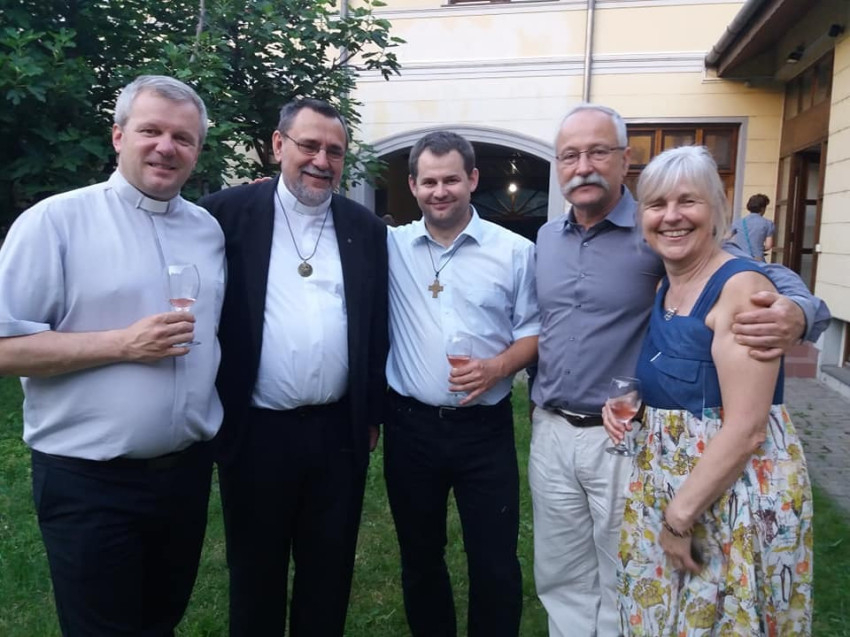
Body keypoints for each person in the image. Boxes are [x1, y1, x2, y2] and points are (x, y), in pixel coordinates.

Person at [529, 103, 829, 637]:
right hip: (555, 430)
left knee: (627, 579)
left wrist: (802, 312)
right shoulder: (549, 239)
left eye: (598, 152)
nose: (583, 166)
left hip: (623, 448)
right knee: (562, 576)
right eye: (570, 155)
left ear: (625, 160)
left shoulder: (663, 235)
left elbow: (758, 279)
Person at [0, 75, 225, 635]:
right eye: (151, 131)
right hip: (89, 481)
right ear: (119, 136)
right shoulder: (54, 222)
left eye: (183, 138)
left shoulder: (207, 230)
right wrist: (123, 344)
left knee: (160, 622)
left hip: (184, 475)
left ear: (197, 151)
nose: (166, 147)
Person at [199, 98, 389, 636]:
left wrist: (371, 415)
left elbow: (376, 325)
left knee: (328, 573)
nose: (321, 161)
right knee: (254, 573)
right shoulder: (224, 215)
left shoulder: (364, 228)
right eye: (309, 146)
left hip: (337, 433)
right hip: (256, 431)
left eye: (335, 151)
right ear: (279, 145)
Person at [606, 145, 812, 634]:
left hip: (731, 502)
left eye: (688, 201)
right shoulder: (668, 285)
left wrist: (679, 518)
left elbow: (747, 428)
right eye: (657, 204)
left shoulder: (740, 289)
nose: (671, 216)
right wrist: (637, 408)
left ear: (718, 209)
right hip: (675, 491)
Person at [384, 131, 539, 637]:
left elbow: (535, 331)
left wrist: (498, 368)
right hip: (411, 429)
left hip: (484, 430)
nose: (440, 191)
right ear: (413, 185)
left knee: (494, 559)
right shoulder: (391, 246)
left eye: (451, 179)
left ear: (472, 179)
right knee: (420, 555)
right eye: (428, 182)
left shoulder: (515, 252)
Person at [729, 193, 775, 261]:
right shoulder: (768, 223)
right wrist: (758, 248)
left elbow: (725, 238)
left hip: (740, 259)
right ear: (763, 208)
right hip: (757, 259)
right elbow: (768, 245)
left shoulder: (738, 223)